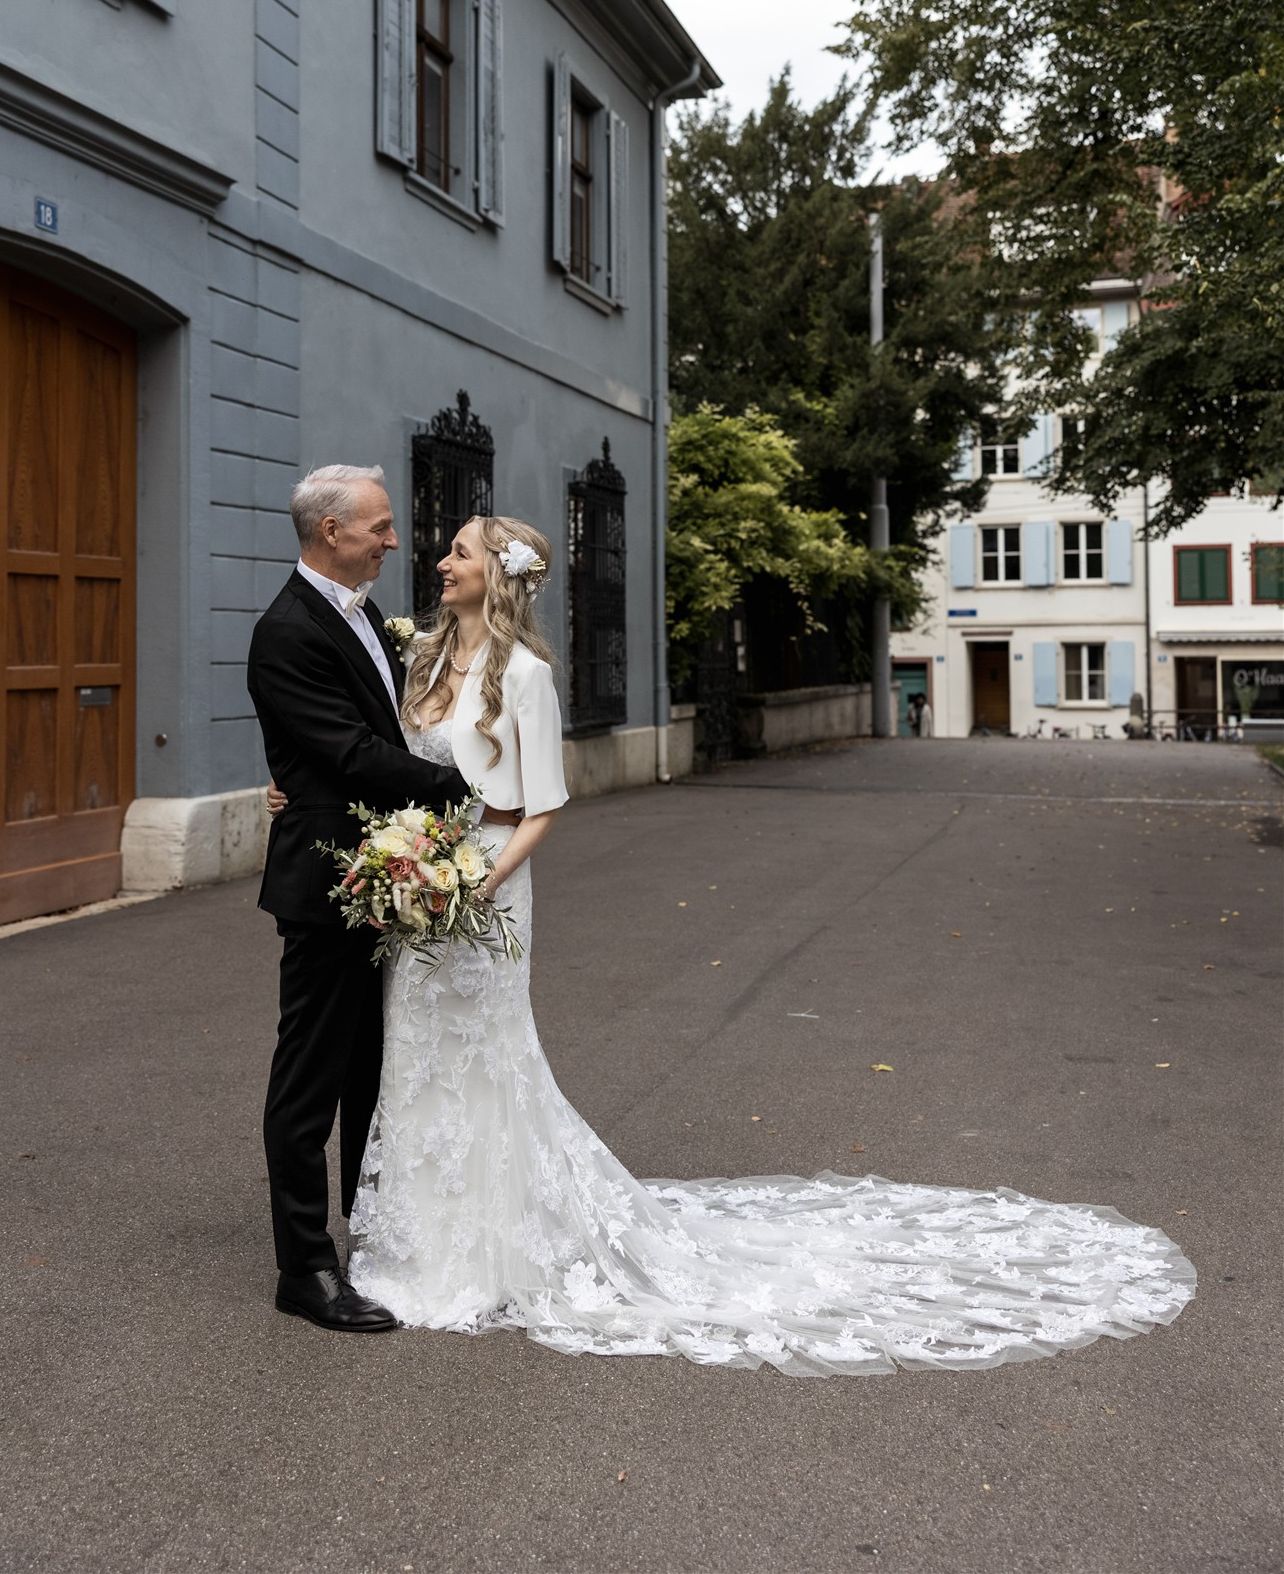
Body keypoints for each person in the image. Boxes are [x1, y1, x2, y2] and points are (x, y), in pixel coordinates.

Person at [267, 515, 1195, 1375]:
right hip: (419, 887)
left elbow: (544, 804)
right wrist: (308, 801)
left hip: (485, 886)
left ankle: (498, 1238)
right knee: (418, 1059)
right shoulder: (418, 655)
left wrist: (478, 880)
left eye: (459, 552)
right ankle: (419, 1233)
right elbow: (352, 742)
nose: (437, 560)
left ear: (496, 579)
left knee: (486, 1055)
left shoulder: (530, 678)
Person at [247, 463, 470, 1333]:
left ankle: (367, 1235)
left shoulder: (364, 611)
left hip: (381, 870)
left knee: (372, 1067)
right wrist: (463, 787)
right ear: (330, 532)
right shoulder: (287, 631)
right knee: (311, 1077)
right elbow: (346, 752)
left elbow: (377, 726)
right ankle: (304, 1268)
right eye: (378, 527)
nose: (391, 539)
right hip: (325, 880)